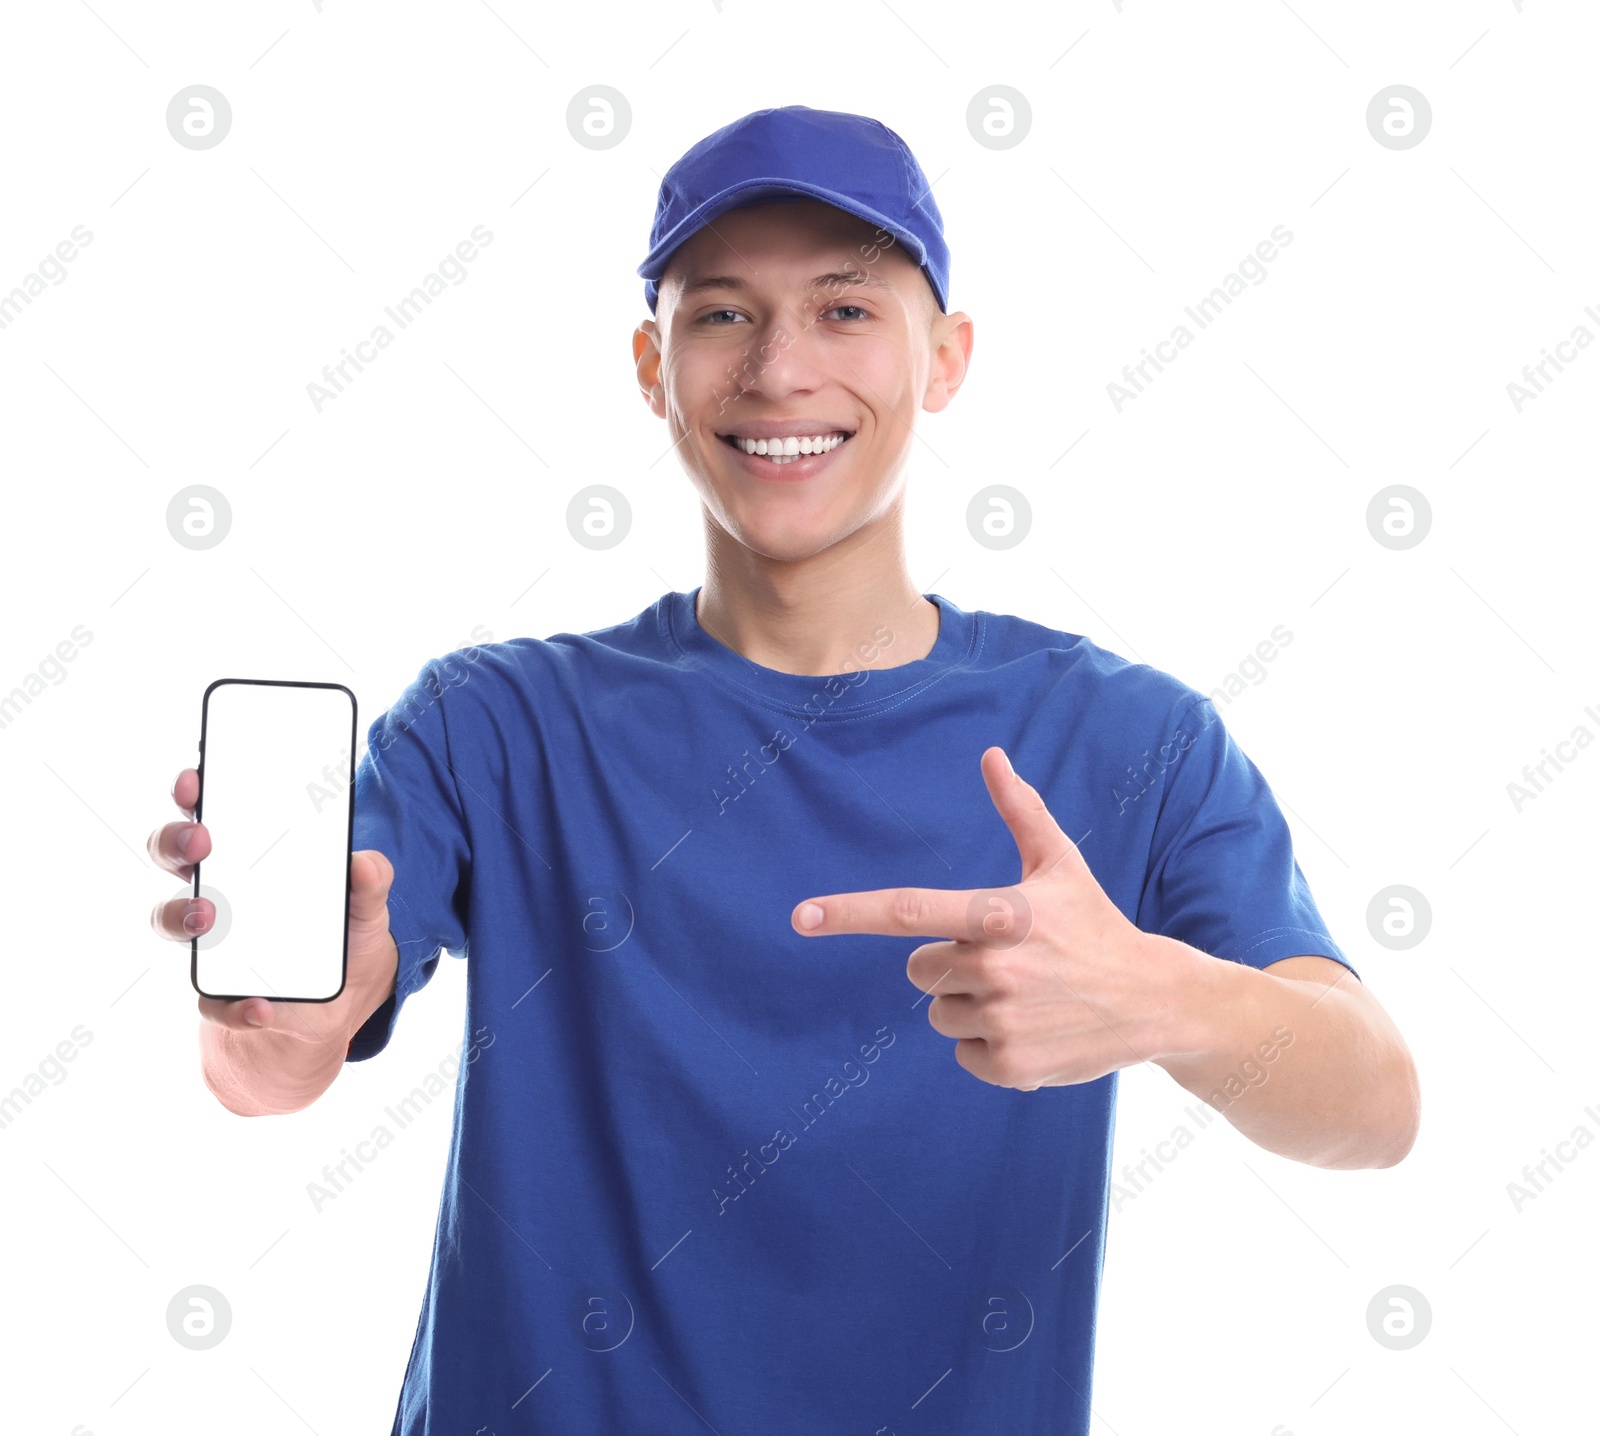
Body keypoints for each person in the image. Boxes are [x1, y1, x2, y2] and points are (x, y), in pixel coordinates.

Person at [148, 105, 1419, 1436]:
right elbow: (266, 1071)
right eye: (722, 316)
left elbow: (1375, 1104)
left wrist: (1165, 999)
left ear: (948, 359)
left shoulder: (1125, 740)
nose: (779, 371)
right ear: (654, 365)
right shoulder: (496, 723)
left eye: (846, 309)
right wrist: (284, 1023)